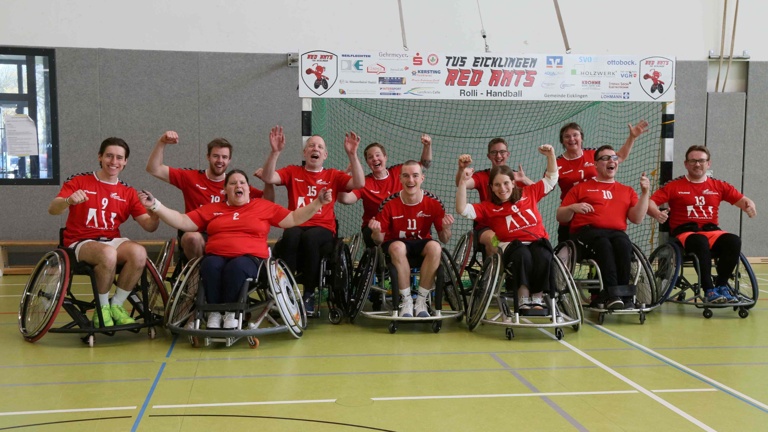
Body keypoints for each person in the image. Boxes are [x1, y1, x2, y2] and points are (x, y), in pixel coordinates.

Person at [138, 169, 332, 329]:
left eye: (242, 183)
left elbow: (293, 219)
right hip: (217, 255)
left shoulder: (262, 206)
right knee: (210, 265)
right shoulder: (213, 208)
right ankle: (213, 313)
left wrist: (318, 203)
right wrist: (155, 205)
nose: (238, 186)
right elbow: (182, 220)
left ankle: (232, 313)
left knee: (236, 267)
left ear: (248, 189)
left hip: (251, 259)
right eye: (232, 183)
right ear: (225, 190)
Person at [48, 137, 160, 327]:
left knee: (139, 252)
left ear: (125, 162)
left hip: (111, 240)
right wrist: (68, 201)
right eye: (109, 156)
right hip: (80, 242)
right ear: (100, 157)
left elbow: (149, 226)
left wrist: (154, 213)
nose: (113, 162)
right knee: (108, 254)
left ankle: (115, 305)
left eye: (119, 157)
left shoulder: (128, 192)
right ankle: (101, 310)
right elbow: (53, 209)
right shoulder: (79, 181)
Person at [259, 126, 365, 313]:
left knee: (310, 238)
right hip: (296, 224)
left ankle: (308, 293)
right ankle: (287, 291)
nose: (315, 148)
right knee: (290, 235)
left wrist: (353, 155)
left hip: (322, 228)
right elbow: (268, 177)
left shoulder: (332, 175)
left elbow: (359, 183)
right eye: (311, 145)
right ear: (305, 152)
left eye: (320, 147)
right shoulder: (293, 171)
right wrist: (275, 152)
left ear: (325, 154)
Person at [647, 145, 757, 304]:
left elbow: (742, 200)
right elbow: (650, 202)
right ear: (686, 164)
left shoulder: (719, 185)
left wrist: (750, 205)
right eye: (693, 161)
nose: (697, 164)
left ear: (708, 163)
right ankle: (709, 290)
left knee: (733, 240)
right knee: (700, 241)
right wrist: (657, 213)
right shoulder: (674, 185)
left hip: (711, 232)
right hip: (686, 234)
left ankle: (721, 286)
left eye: (701, 161)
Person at [456, 144, 558, 312]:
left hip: (537, 241)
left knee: (543, 254)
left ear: (513, 182)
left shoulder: (529, 193)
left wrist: (551, 156)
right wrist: (462, 182)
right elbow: (462, 209)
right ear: (491, 188)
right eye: (497, 185)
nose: (502, 189)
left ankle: (538, 297)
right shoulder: (488, 207)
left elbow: (551, 179)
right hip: (511, 246)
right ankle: (523, 297)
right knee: (522, 255)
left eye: (505, 183)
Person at [145, 131, 274, 261]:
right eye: (216, 156)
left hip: (225, 233)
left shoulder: (235, 185)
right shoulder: (191, 177)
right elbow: (154, 168)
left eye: (224, 157)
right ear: (208, 157)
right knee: (192, 238)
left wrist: (268, 181)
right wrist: (161, 142)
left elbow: (268, 203)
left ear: (229, 160)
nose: (220, 161)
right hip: (197, 231)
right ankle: (196, 277)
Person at [556, 145, 650, 310]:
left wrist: (645, 193)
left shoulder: (626, 190)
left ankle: (625, 295)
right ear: (596, 164)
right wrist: (573, 208)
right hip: (587, 234)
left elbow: (637, 218)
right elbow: (560, 216)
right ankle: (610, 295)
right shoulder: (580, 188)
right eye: (605, 158)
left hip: (615, 233)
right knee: (603, 244)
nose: (611, 161)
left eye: (613, 158)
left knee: (623, 244)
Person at [369, 161, 454, 318]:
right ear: (400, 178)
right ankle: (406, 301)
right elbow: (378, 241)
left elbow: (444, 239)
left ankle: (421, 302)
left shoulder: (434, 202)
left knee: (435, 248)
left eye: (415, 176)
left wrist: (446, 228)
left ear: (422, 178)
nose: (411, 180)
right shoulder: (388, 203)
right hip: (396, 244)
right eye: (406, 176)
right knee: (397, 248)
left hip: (421, 244)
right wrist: (375, 231)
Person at [554, 120, 649, 243]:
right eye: (567, 136)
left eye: (575, 135)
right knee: (567, 253)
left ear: (581, 138)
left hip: (597, 211)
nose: (571, 139)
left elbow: (618, 157)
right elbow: (545, 185)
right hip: (572, 212)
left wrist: (632, 137)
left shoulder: (594, 154)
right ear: (562, 141)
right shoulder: (557, 164)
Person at [338, 134, 433, 248]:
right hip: (376, 227)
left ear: (385, 157)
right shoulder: (364, 183)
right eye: (370, 157)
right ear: (367, 163)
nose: (374, 159)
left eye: (378, 155)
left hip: (403, 223)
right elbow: (345, 199)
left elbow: (425, 164)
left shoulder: (400, 171)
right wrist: (343, 178)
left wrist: (427, 146)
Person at [455, 138, 533, 256]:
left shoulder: (515, 177)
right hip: (487, 227)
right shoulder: (482, 176)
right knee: (495, 242)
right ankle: (495, 272)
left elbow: (538, 190)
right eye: (494, 152)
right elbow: (461, 184)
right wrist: (461, 170)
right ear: (488, 156)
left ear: (508, 154)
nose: (498, 155)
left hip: (511, 225)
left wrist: (524, 179)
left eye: (502, 152)